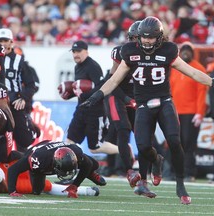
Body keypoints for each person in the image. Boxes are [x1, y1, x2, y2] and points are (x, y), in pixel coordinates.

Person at [80, 16, 214, 205]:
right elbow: (114, 80)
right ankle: (157, 161)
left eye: (151, 37)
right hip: (142, 105)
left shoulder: (168, 51)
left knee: (175, 141)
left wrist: (212, 82)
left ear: (159, 37)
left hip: (164, 102)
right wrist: (96, 96)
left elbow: (191, 72)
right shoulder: (129, 51)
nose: (147, 41)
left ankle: (180, 185)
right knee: (143, 147)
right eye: (144, 37)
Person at [0, 145, 99, 196]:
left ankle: (83, 178)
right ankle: (86, 190)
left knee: (20, 158)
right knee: (41, 187)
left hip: (5, 164)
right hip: (4, 179)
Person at [103, 21, 141, 185]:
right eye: (133, 38)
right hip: (117, 94)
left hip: (134, 96)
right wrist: (127, 99)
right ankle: (124, 169)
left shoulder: (151, 54)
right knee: (120, 131)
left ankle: (151, 166)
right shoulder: (121, 52)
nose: (137, 41)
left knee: (143, 133)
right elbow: (112, 80)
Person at [65, 40, 118, 155]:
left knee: (95, 148)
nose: (75, 54)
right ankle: (71, 169)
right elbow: (81, 89)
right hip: (81, 109)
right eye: (73, 52)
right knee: (69, 142)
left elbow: (101, 87)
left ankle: (124, 150)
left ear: (86, 52)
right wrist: (70, 93)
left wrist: (84, 95)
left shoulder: (92, 66)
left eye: (78, 51)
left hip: (95, 112)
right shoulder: (77, 67)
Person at [8, 140, 106, 198]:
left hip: (59, 150)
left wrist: (74, 186)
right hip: (39, 154)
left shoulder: (75, 151)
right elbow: (13, 169)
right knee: (37, 191)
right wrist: (12, 191)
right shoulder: (38, 161)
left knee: (94, 165)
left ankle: (91, 174)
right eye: (63, 170)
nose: (67, 173)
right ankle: (89, 173)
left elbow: (87, 164)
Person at [170, 42, 208, 182]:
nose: (186, 52)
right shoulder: (174, 68)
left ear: (193, 52)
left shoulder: (199, 68)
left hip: (191, 113)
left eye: (188, 50)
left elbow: (201, 93)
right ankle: (176, 172)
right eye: (183, 50)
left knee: (188, 143)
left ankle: (189, 172)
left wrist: (200, 113)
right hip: (175, 111)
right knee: (175, 142)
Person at [0, 28, 38, 152]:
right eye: (0, 41)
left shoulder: (20, 61)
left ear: (11, 42)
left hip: (14, 104)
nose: (3, 44)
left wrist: (24, 98)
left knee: (23, 141)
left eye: (5, 40)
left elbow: (31, 84)